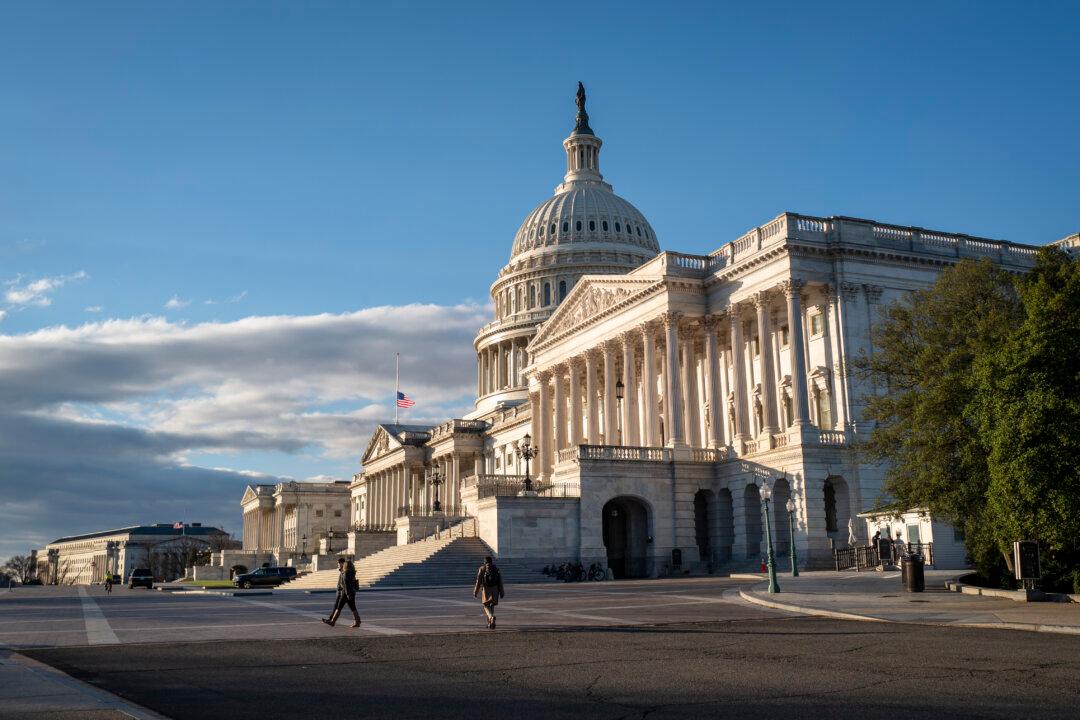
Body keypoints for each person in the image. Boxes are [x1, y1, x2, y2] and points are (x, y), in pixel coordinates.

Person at [321, 558, 361, 628]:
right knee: (353, 607)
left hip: (345, 593)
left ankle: (333, 621)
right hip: (352, 592)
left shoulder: (345, 573)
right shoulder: (352, 572)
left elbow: (345, 584)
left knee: (339, 607)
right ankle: (357, 621)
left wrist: (347, 594)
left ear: (345, 565)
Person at [473, 555, 504, 629]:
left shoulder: (482, 568)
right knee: (491, 605)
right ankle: (490, 623)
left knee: (485, 605)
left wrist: (475, 591)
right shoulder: (496, 568)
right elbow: (500, 581)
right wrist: (501, 591)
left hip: (486, 590)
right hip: (495, 589)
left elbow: (479, 581)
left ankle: (491, 617)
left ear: (484, 562)